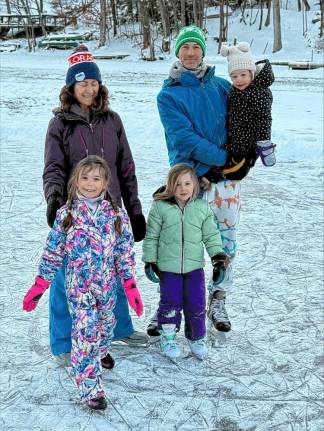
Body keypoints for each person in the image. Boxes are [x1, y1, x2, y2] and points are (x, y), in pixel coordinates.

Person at [43, 44, 148, 362]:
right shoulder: (60, 124)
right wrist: (55, 201)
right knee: (64, 278)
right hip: (75, 214)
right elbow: (54, 168)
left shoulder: (112, 120)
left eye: (93, 82)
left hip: (110, 211)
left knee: (114, 271)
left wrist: (135, 209)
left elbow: (125, 167)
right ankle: (62, 343)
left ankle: (120, 329)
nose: (88, 88)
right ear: (71, 87)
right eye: (81, 82)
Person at [23, 156, 144, 410]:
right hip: (79, 289)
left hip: (107, 286)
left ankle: (101, 352)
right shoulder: (67, 214)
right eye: (84, 178)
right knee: (85, 334)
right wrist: (40, 284)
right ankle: (91, 388)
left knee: (105, 327)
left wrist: (130, 285)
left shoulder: (115, 214)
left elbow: (123, 252)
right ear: (75, 180)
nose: (90, 183)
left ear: (105, 182)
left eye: (96, 178)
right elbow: (53, 252)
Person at [153, 25, 241, 335]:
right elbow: (185, 138)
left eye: (196, 47)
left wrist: (241, 160)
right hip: (188, 180)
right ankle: (169, 302)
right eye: (185, 47)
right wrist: (221, 160)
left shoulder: (221, 87)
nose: (191, 53)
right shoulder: (168, 95)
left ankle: (218, 297)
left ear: (203, 51)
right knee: (180, 242)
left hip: (225, 182)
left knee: (225, 240)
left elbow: (242, 122)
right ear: (177, 52)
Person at [143, 164, 227, 360]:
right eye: (178, 184)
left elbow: (211, 235)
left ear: (195, 185)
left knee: (196, 303)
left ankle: (196, 337)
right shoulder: (160, 208)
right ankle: (169, 337)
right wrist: (150, 260)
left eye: (188, 183)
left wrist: (218, 257)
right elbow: (152, 237)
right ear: (170, 185)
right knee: (170, 303)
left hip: (194, 268)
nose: (183, 188)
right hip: (168, 268)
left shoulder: (201, 207)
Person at [202, 41, 276, 185]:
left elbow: (264, 119)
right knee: (224, 163)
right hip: (234, 142)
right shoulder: (237, 91)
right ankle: (208, 178)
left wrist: (264, 142)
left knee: (237, 171)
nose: (239, 80)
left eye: (243, 75)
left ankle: (209, 180)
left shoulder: (259, 93)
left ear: (252, 73)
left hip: (247, 146)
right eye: (234, 77)